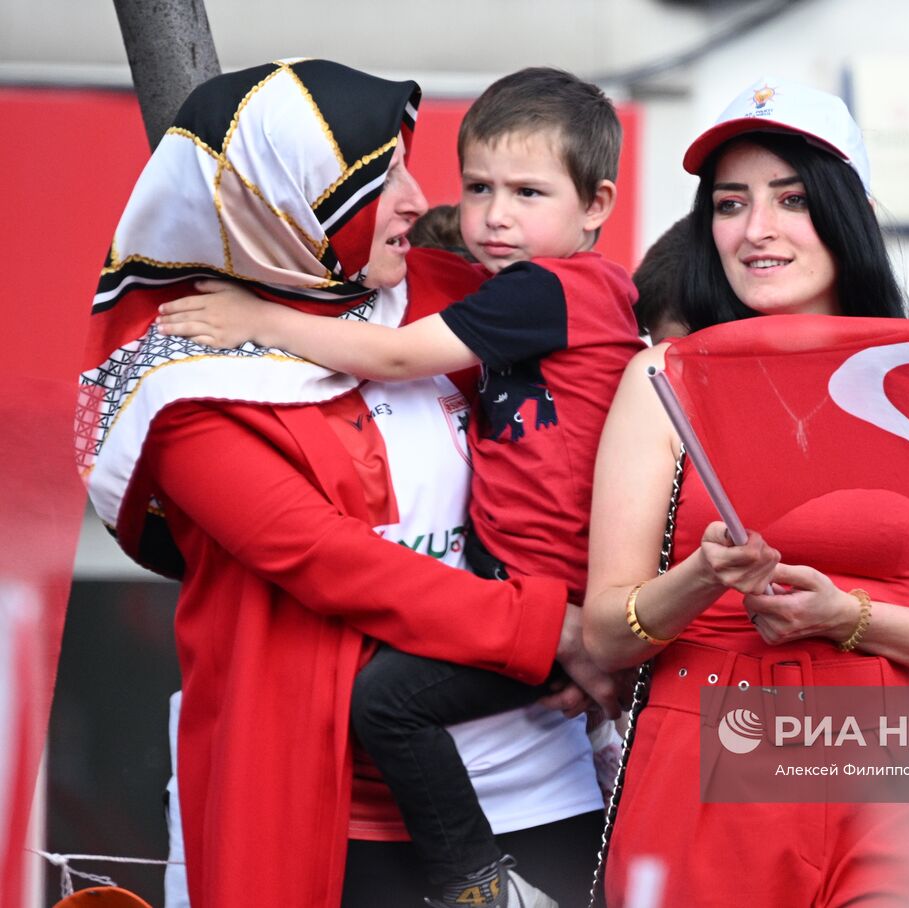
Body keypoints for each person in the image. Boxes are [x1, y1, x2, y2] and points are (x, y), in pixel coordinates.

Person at [76, 60, 612, 908]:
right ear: (281, 200)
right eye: (373, 180)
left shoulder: (461, 294)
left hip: (540, 781)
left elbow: (609, 441)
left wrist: (620, 620)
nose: (415, 199)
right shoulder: (185, 376)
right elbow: (333, 562)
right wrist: (558, 630)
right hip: (335, 809)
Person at [582, 78, 909, 906]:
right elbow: (609, 632)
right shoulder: (665, 381)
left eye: (790, 199)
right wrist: (701, 578)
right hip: (707, 748)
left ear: (847, 209)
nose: (757, 230)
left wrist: (848, 619)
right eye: (730, 204)